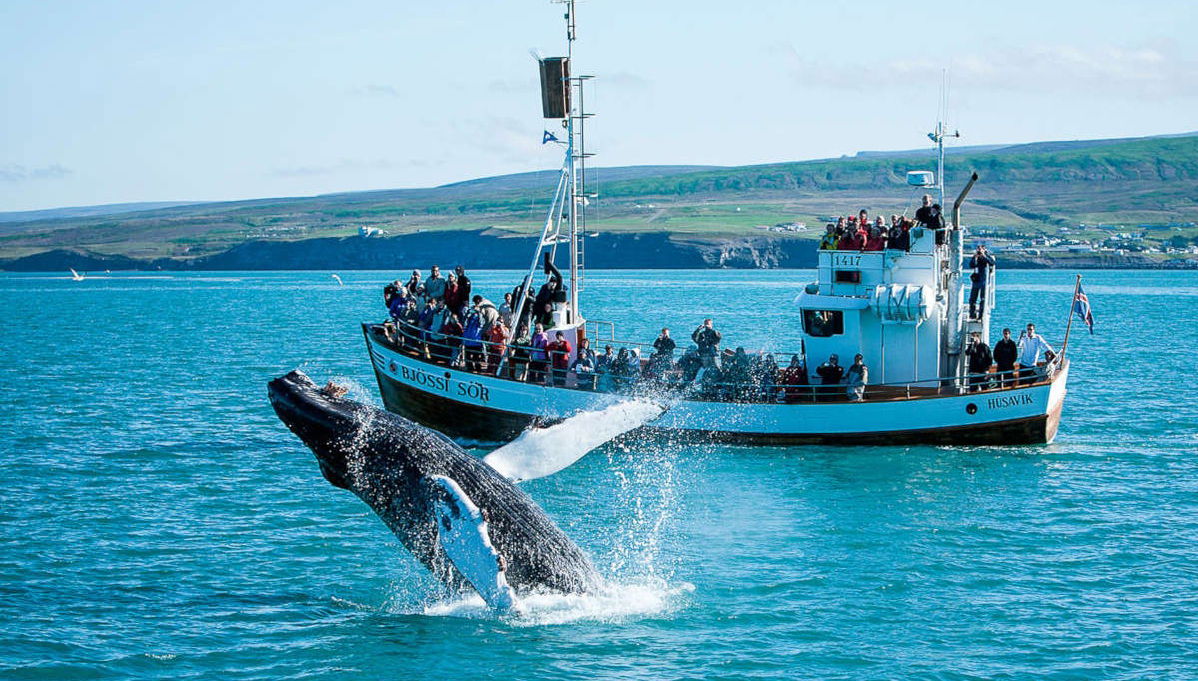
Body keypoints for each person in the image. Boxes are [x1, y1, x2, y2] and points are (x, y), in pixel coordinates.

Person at [967, 245, 996, 319]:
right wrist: (975, 257)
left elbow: (992, 263)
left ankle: (980, 315)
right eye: (978, 249)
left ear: (984, 249)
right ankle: (972, 314)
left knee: (983, 298)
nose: (979, 251)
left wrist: (984, 256)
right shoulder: (975, 257)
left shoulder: (987, 256)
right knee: (972, 299)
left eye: (981, 249)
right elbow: (971, 265)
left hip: (983, 280)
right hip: (976, 280)